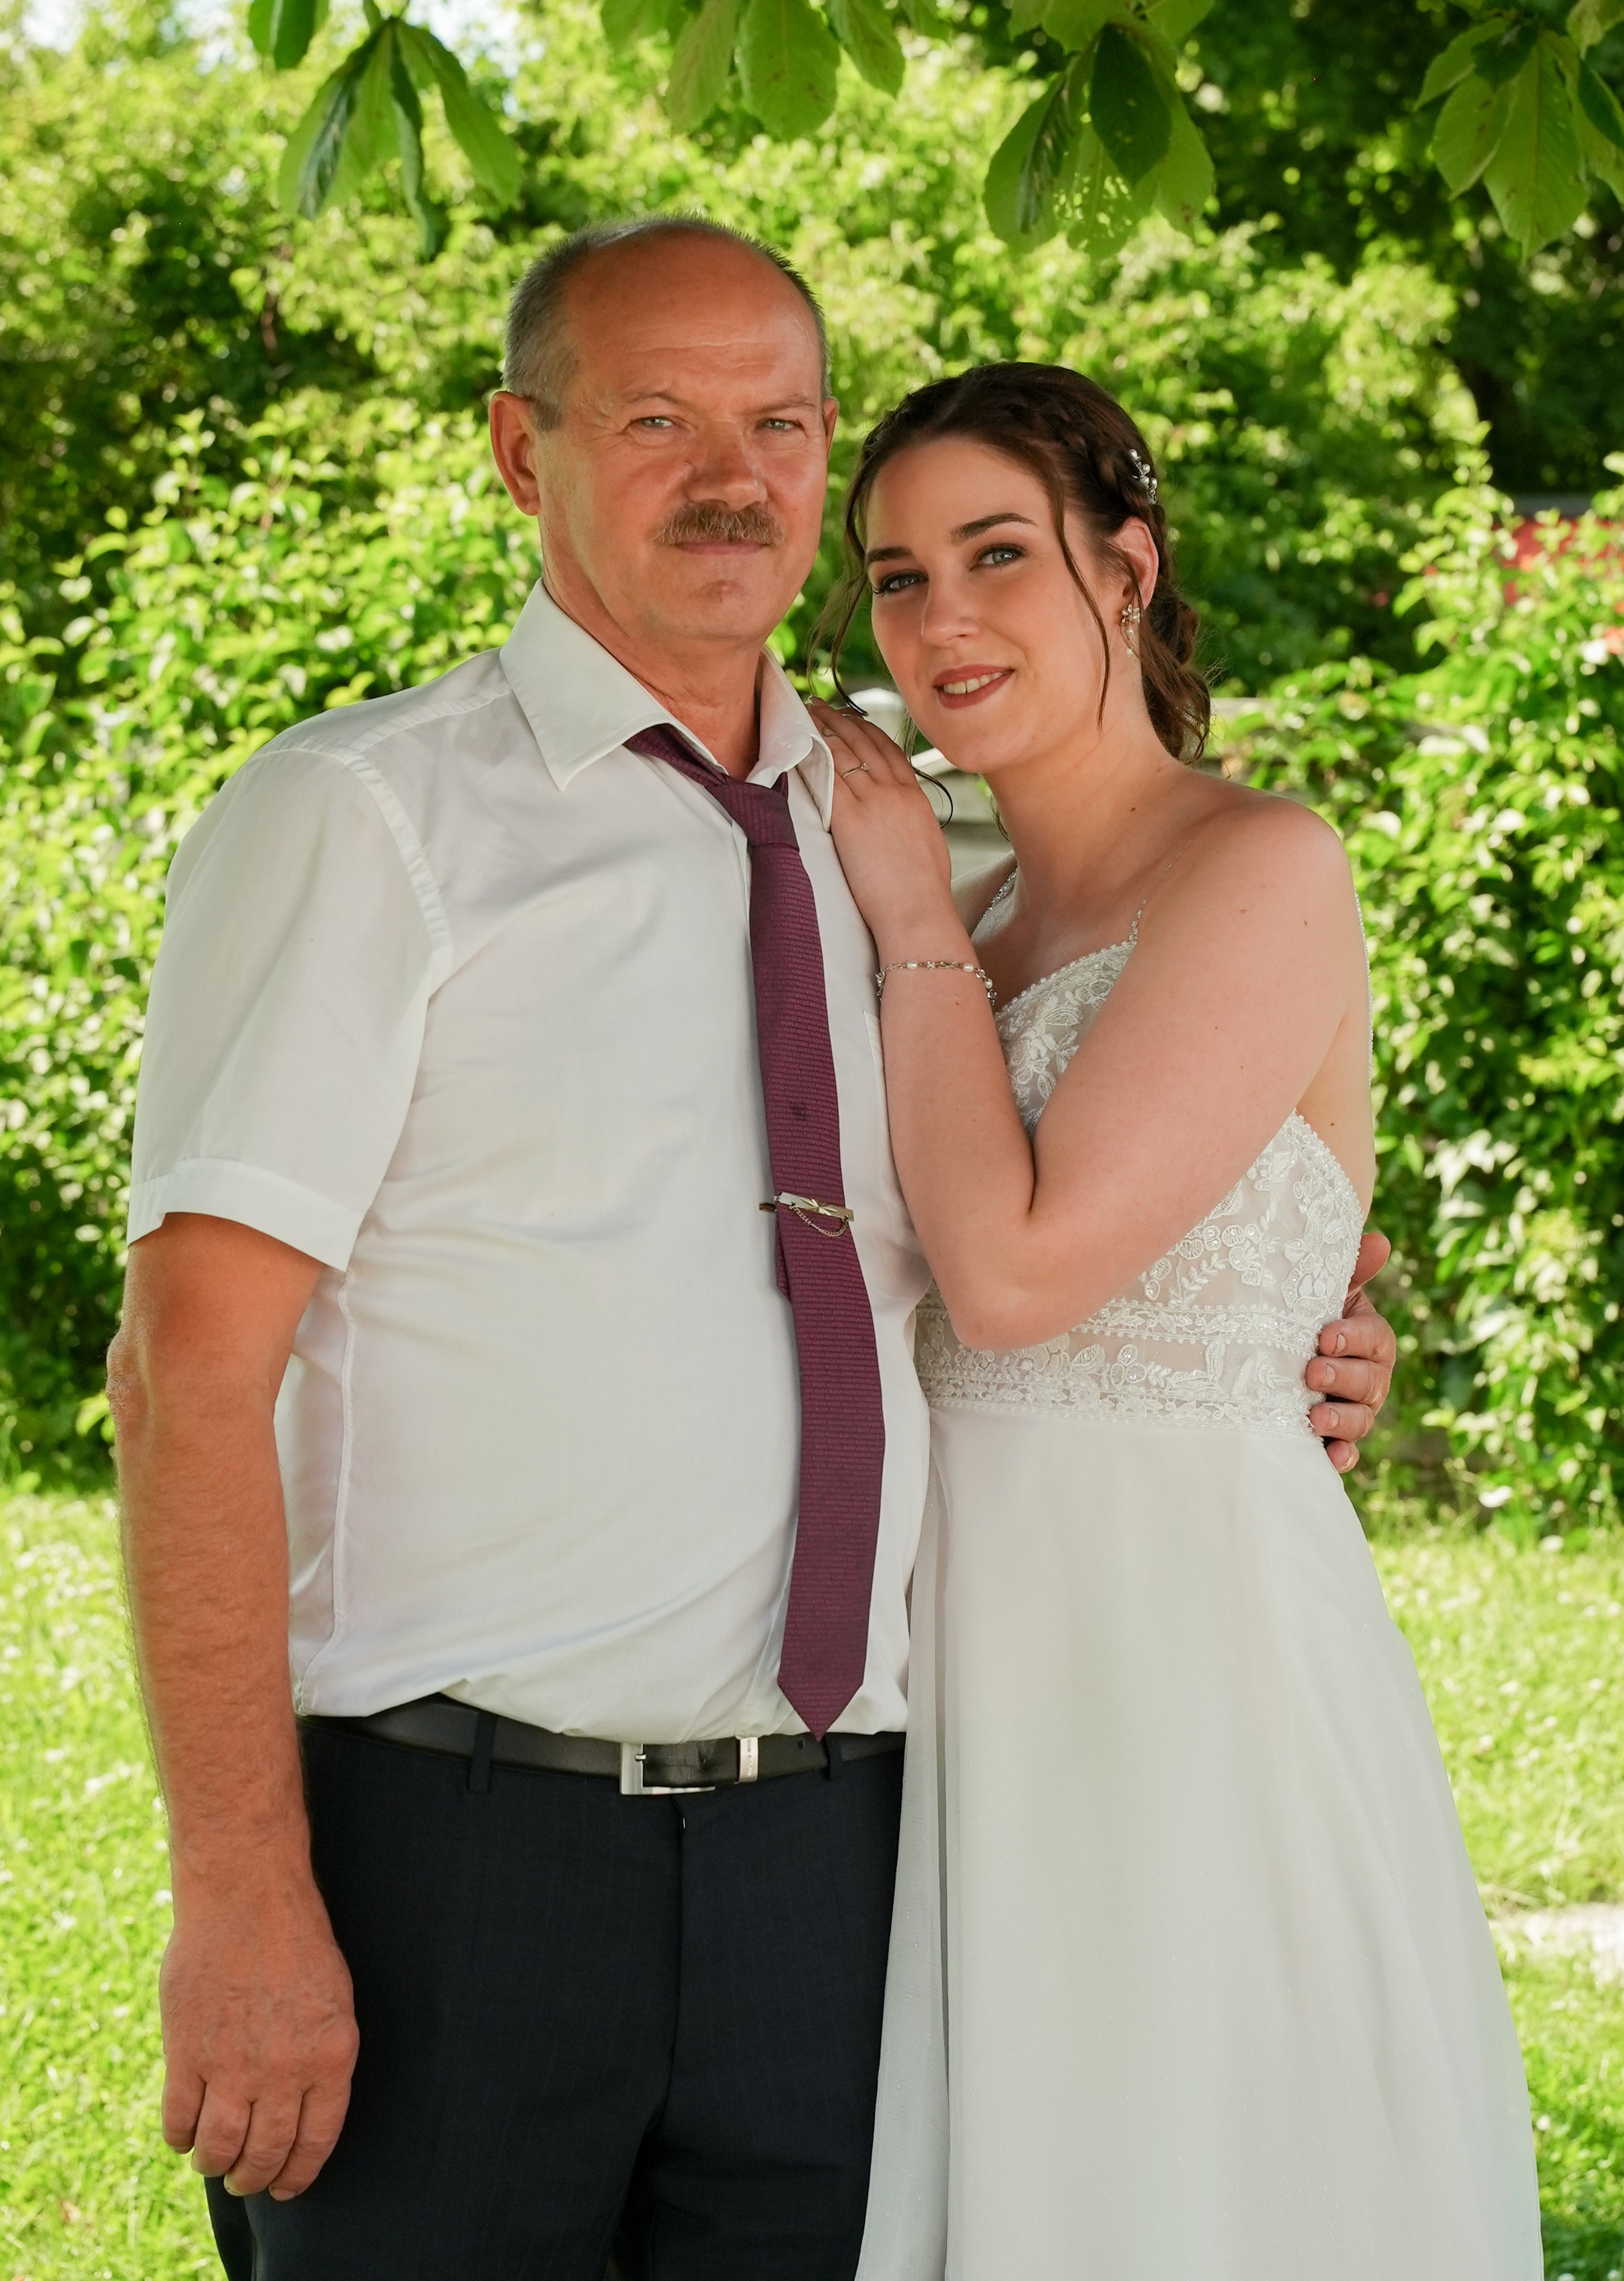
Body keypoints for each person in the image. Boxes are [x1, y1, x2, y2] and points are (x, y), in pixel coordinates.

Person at [106, 224, 1397, 2281]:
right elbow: (187, 1369)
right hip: (465, 1854)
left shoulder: (922, 857)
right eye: (657, 421)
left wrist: (1314, 1334)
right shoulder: (367, 819)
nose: (735, 477)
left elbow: (1169, 1172)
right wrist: (243, 1895)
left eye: (780, 425)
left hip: (863, 1871)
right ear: (522, 456)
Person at [809, 362, 1542, 2281]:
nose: (942, 620)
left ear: (1126, 569)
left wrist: (905, 919)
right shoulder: (954, 894)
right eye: (894, 577)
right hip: (957, 1653)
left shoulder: (1262, 866)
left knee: (1182, 2179)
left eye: (997, 556)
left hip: (1186, 1661)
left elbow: (1023, 1276)